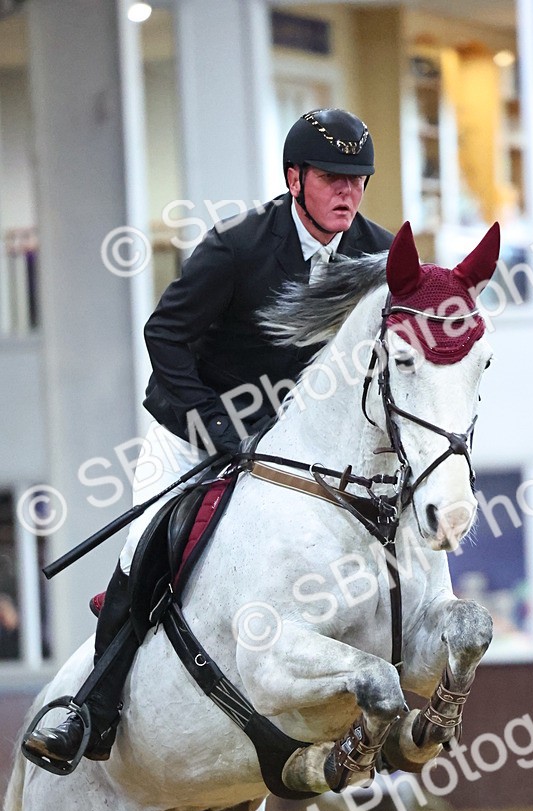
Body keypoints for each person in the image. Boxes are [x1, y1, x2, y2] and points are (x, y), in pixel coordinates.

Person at [23, 108, 394, 769]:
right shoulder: (238, 247)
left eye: (358, 179)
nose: (348, 193)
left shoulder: (379, 254)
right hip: (196, 425)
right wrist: (214, 426)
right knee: (147, 546)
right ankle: (90, 708)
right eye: (334, 178)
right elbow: (163, 335)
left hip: (294, 442)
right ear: (295, 178)